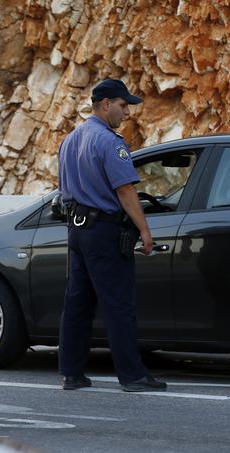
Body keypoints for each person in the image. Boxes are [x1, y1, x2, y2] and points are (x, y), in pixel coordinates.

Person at [57, 78, 167, 393]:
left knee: (77, 303)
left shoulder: (70, 140)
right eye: (122, 106)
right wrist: (144, 230)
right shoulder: (109, 142)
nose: (126, 113)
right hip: (104, 230)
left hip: (77, 230)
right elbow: (124, 190)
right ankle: (133, 376)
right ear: (105, 104)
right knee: (118, 303)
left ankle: (71, 373)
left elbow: (64, 190)